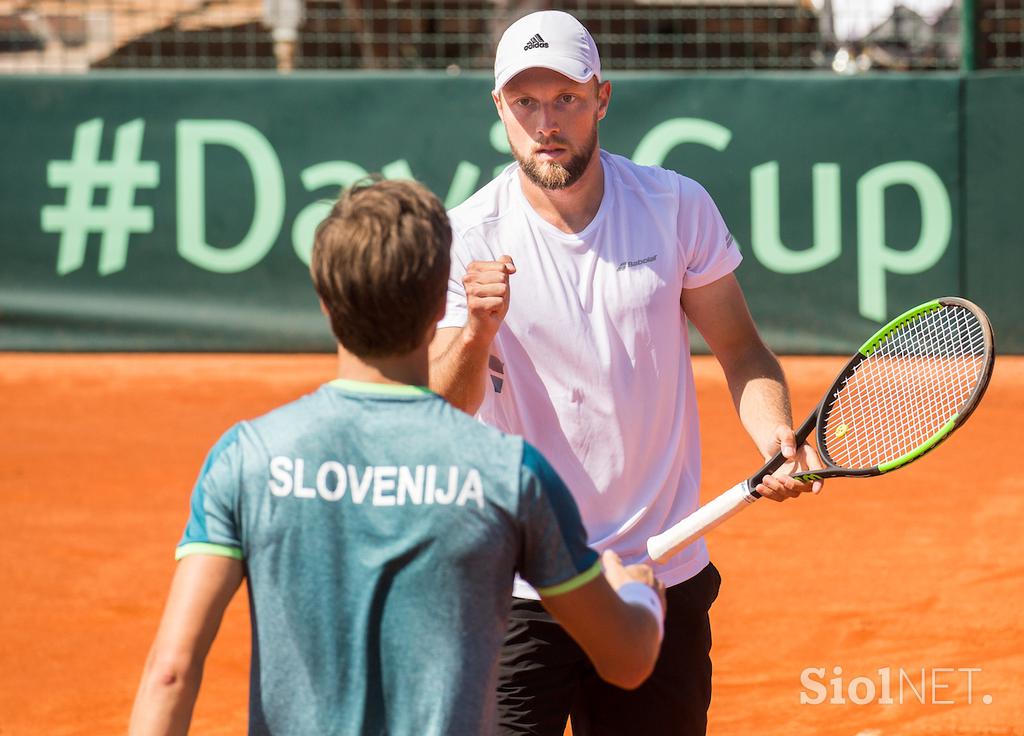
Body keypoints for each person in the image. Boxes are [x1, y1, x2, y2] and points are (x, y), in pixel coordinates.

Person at [128, 179, 667, 736]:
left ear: (324, 299)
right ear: (440, 302)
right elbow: (626, 660)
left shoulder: (246, 458)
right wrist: (637, 596)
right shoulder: (510, 475)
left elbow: (170, 672)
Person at [428, 11, 824, 736]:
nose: (546, 122)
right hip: (519, 592)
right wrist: (478, 327)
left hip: (661, 573)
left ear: (602, 98)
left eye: (567, 100)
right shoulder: (467, 237)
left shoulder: (675, 208)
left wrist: (775, 434)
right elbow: (437, 410)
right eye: (526, 102)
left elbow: (742, 350)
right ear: (499, 109)